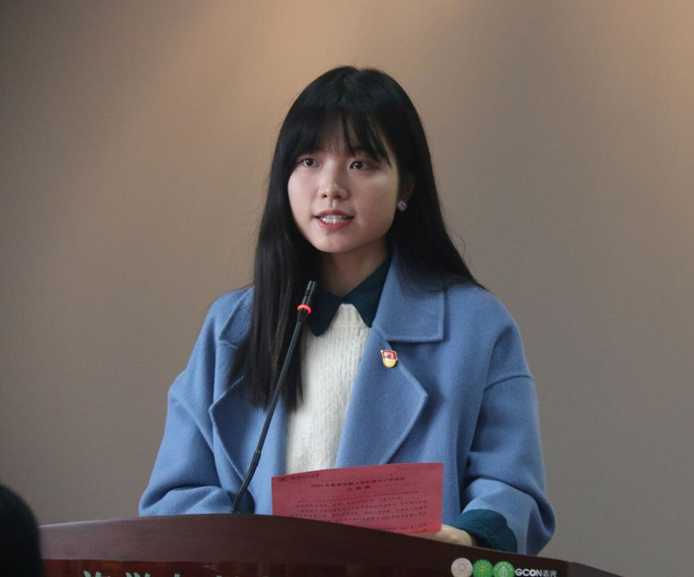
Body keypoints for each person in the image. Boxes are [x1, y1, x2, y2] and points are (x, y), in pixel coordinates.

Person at [140, 66, 555, 554]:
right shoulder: (231, 327)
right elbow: (177, 492)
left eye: (360, 163)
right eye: (309, 161)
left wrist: (461, 539)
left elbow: (512, 489)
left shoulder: (476, 326)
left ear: (406, 187)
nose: (331, 186)